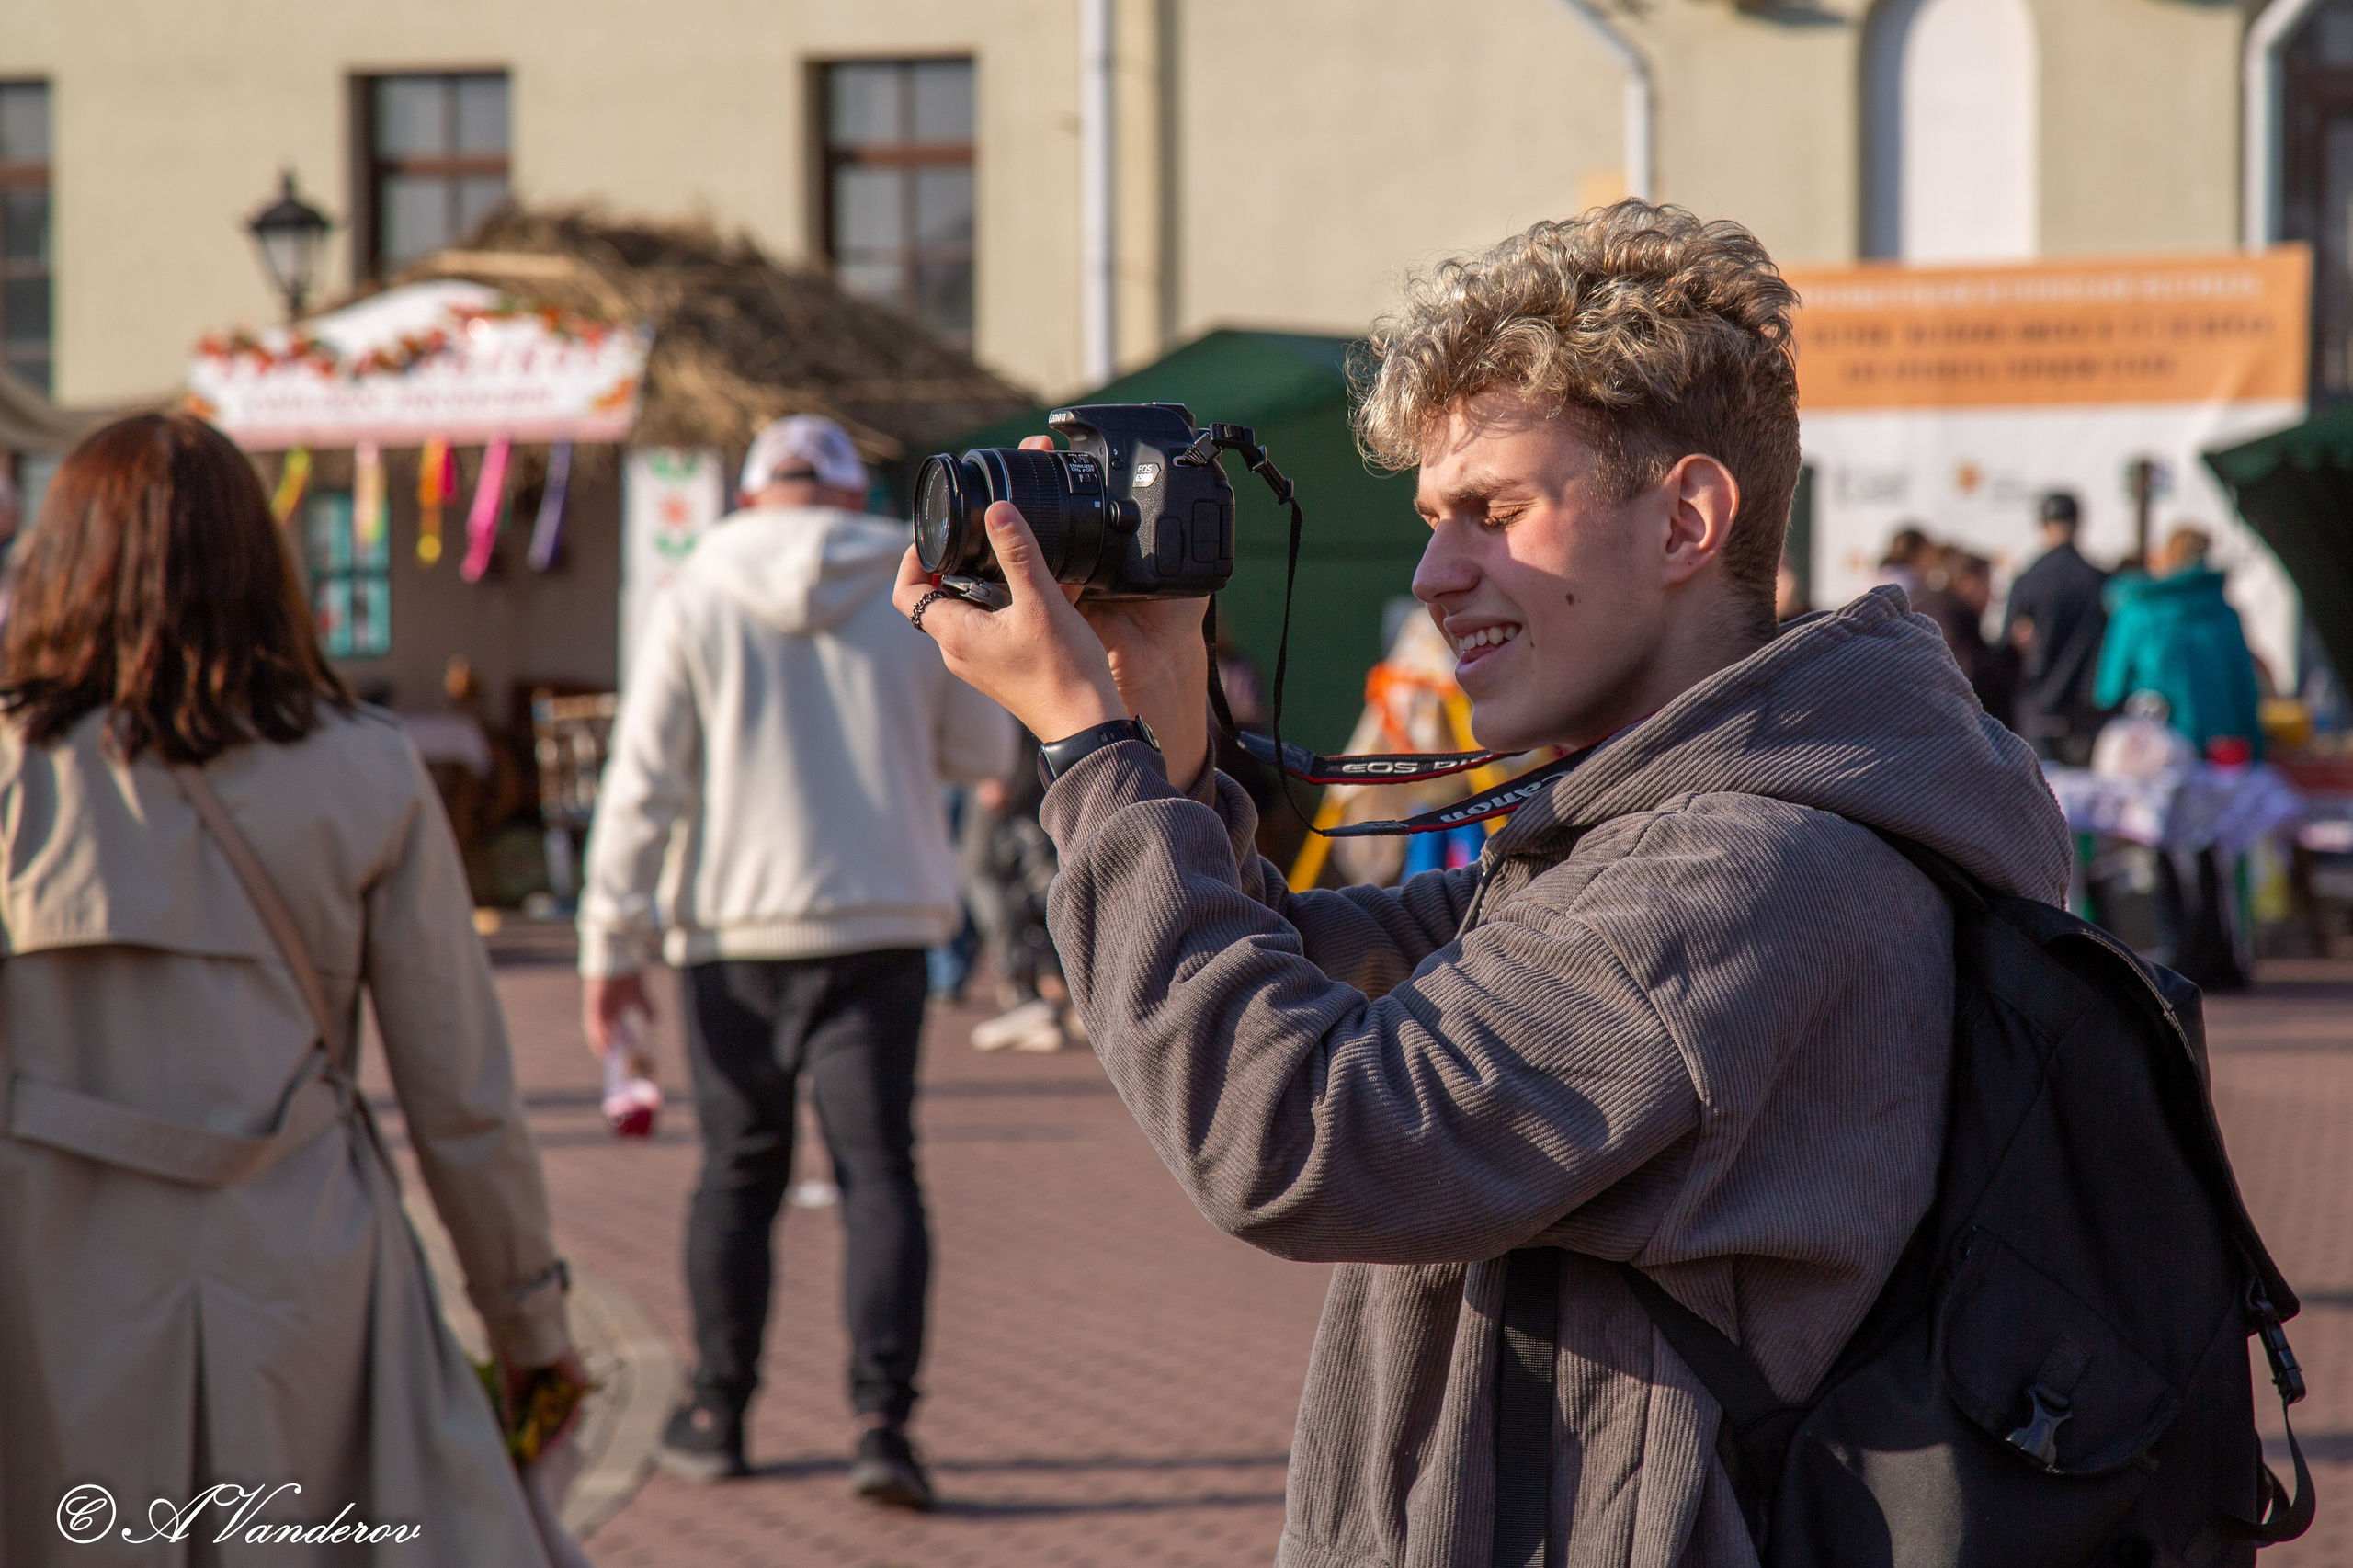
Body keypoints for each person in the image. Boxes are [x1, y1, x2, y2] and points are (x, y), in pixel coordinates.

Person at [896, 203, 2069, 1566]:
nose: (1435, 571)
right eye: (1432, 519)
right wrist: (1154, 719)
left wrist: (1088, 757)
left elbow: (1300, 1132)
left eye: (1493, 512)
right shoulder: (1674, 825)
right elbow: (1302, 969)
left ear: (1688, 516)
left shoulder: (1749, 870)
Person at [0, 414, 581, 1562]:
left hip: (42, 1273)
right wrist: (528, 1319)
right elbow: (460, 1092)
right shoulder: (365, 768)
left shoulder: (12, 772)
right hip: (302, 1262)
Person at [577, 414, 1014, 1505]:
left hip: (731, 933)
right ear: (847, 492)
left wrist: (609, 945)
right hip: (881, 922)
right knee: (879, 1173)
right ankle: (882, 1425)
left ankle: (721, 1411)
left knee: (737, 1174)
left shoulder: (695, 592)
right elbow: (979, 750)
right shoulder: (912, 589)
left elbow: (643, 786)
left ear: (754, 490)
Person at [2095, 525, 2263, 761]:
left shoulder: (2136, 612)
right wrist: (2256, 753)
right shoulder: (2225, 614)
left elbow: (2108, 690)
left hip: (2156, 753)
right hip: (2219, 750)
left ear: (2167, 556)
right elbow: (2245, 690)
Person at [2004, 490, 2109, 765]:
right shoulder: (2099, 581)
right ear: (2077, 523)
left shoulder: (2028, 580)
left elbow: (2008, 647)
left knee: (2040, 800)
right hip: (2087, 709)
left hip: (2038, 708)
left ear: (2042, 525)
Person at [1913, 545, 2018, 724]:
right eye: (1987, 584)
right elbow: (1969, 673)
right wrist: (2012, 653)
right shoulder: (1951, 617)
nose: (1991, 595)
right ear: (1967, 583)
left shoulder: (1934, 607)